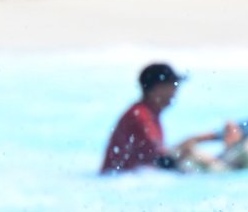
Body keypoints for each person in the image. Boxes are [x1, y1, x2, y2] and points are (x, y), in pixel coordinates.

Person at [101, 63, 239, 174]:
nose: (175, 91)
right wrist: (197, 140)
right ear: (158, 89)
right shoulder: (141, 116)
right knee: (191, 155)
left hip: (129, 178)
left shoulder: (147, 114)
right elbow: (162, 160)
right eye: (173, 85)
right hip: (122, 180)